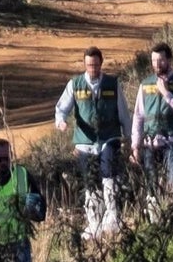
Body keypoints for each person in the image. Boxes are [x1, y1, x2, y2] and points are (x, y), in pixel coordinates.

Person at [54, 46, 131, 239]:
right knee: (89, 182)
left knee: (109, 176)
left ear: (101, 64)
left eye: (96, 65)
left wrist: (129, 138)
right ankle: (94, 223)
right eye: (89, 65)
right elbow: (61, 108)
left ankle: (112, 218)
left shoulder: (113, 84)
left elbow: (123, 112)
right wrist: (61, 121)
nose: (92, 69)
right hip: (84, 142)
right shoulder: (75, 84)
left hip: (109, 138)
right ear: (84, 64)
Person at [131, 42, 173, 215]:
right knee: (151, 184)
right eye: (153, 61)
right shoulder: (145, 84)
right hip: (150, 142)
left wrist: (166, 93)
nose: (157, 64)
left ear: (169, 60)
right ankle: (154, 219)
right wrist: (135, 145)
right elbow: (138, 116)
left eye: (160, 60)